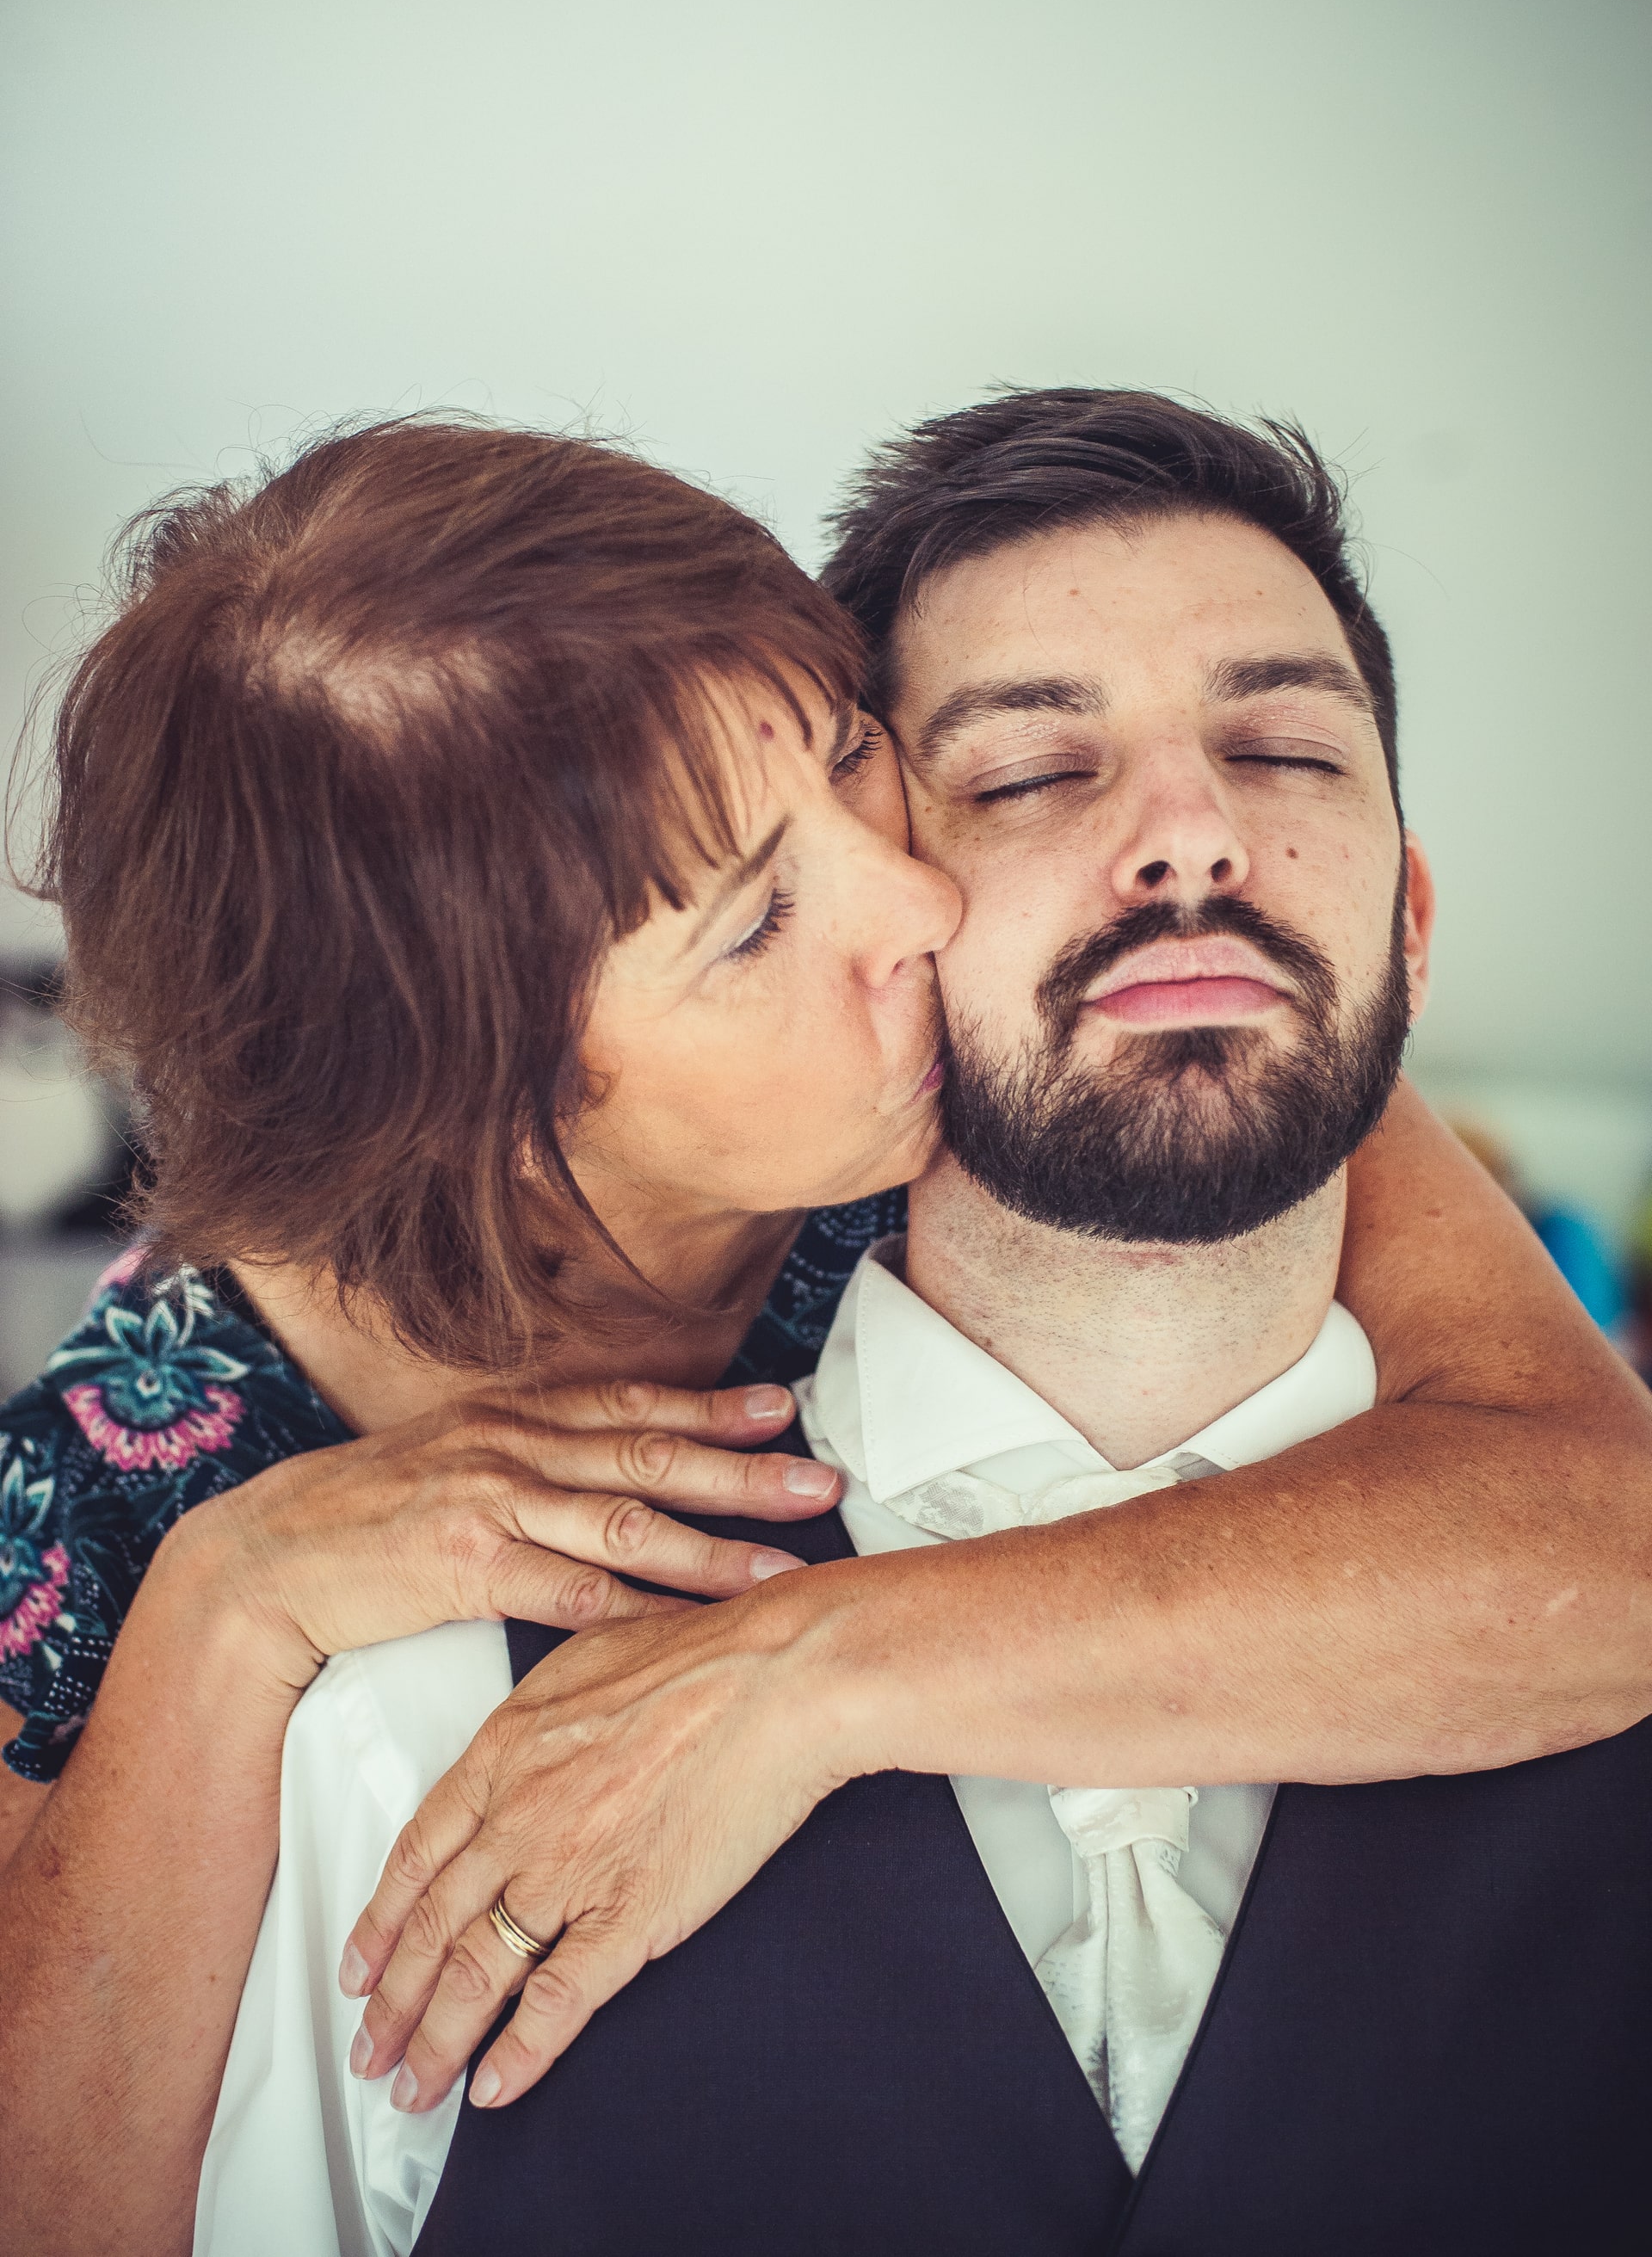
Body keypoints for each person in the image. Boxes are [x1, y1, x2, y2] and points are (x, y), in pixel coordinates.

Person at [1, 410, 1646, 2257]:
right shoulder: (139, 1489)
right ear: (501, 1110)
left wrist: (809, 1676)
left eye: (855, 755)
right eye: (757, 919)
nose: (924, 898)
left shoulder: (1084, 1064)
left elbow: (1608, 1531)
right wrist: (230, 1602)